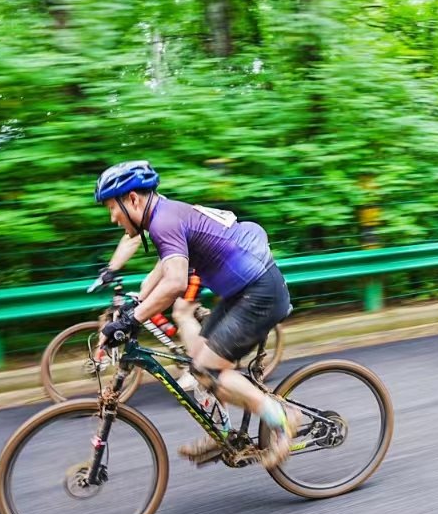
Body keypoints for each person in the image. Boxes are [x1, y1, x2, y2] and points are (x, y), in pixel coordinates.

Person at [93, 160, 298, 466]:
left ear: (132, 199)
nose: (113, 218)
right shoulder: (163, 216)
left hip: (259, 293)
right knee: (198, 365)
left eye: (113, 208)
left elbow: (176, 282)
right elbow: (162, 270)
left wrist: (133, 320)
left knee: (209, 369)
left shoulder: (163, 220)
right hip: (242, 291)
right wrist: (135, 307)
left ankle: (282, 417)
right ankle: (224, 434)